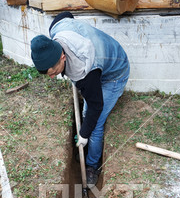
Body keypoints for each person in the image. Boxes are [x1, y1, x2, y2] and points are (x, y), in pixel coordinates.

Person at [30, 12, 130, 188]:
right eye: (49, 75)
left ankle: (92, 165)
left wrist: (84, 134)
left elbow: (96, 106)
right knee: (87, 114)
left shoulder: (84, 70)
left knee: (96, 123)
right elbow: (65, 15)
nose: (53, 77)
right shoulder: (57, 29)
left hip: (114, 72)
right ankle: (87, 148)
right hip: (98, 61)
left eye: (54, 72)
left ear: (62, 56)